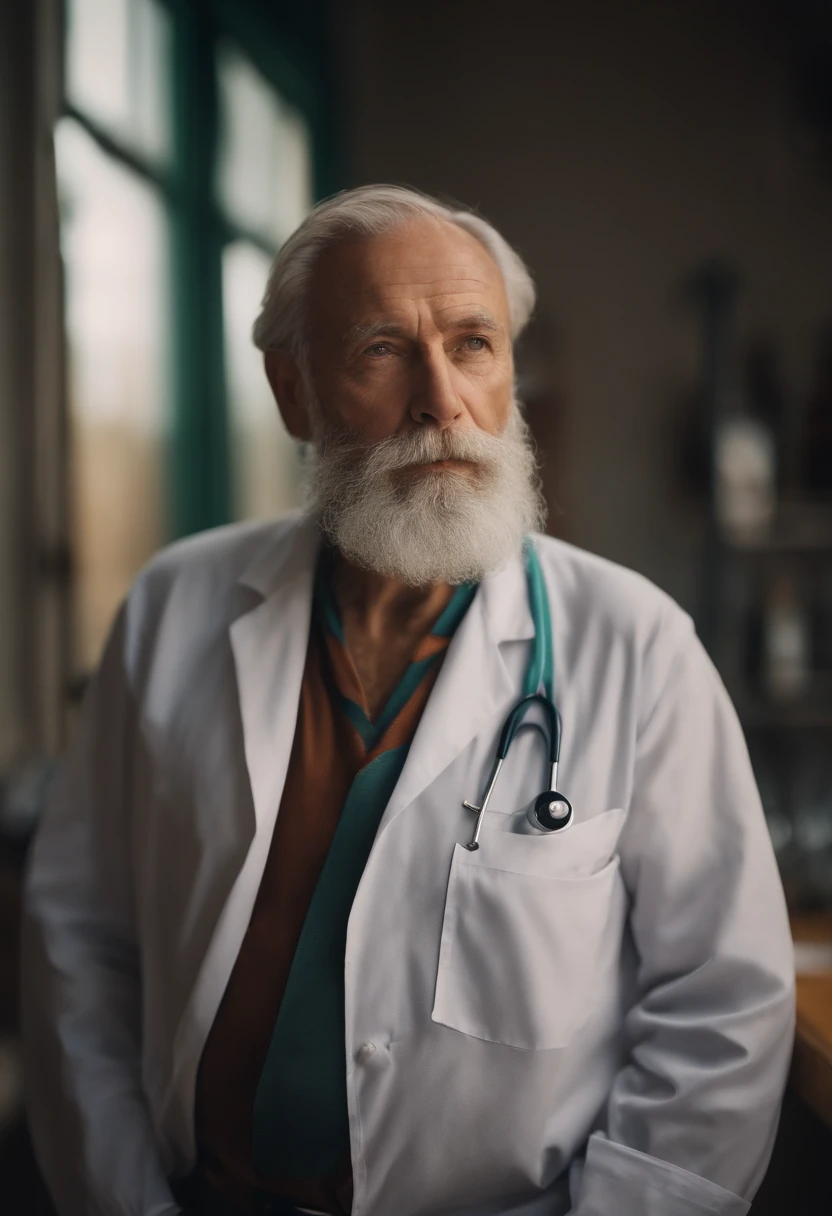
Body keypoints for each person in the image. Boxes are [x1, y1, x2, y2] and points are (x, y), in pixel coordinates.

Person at [21, 185, 794, 1216]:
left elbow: (721, 1010)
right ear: (293, 392)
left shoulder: (636, 649)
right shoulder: (172, 610)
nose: (441, 399)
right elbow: (79, 941)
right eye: (382, 348)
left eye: (473, 343)